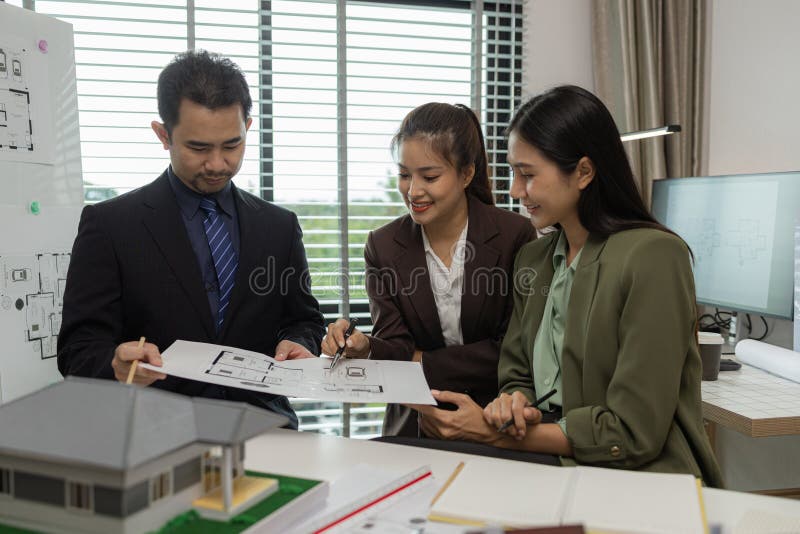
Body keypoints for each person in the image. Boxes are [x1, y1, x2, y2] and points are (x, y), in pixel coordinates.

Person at [414, 85, 723, 486]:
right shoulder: (536, 260)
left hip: (633, 476)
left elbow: (632, 434)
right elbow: (518, 374)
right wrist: (514, 404)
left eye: (527, 175)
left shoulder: (654, 257)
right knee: (395, 458)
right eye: (512, 172)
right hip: (554, 460)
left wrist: (490, 433)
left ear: (583, 172)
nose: (515, 191)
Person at [57, 51, 325, 428]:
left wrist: (301, 343)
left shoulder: (279, 227)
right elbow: (77, 350)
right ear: (163, 135)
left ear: (248, 126)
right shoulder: (110, 225)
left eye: (232, 145)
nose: (218, 164)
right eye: (198, 148)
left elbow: (304, 319)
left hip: (265, 428)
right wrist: (116, 363)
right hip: (151, 434)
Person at [321, 103, 535, 437]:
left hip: (495, 423)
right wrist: (366, 348)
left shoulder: (514, 236)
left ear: (466, 174)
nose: (413, 190)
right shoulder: (383, 245)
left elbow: (511, 353)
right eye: (405, 174)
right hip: (414, 426)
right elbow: (395, 346)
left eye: (429, 176)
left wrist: (417, 362)